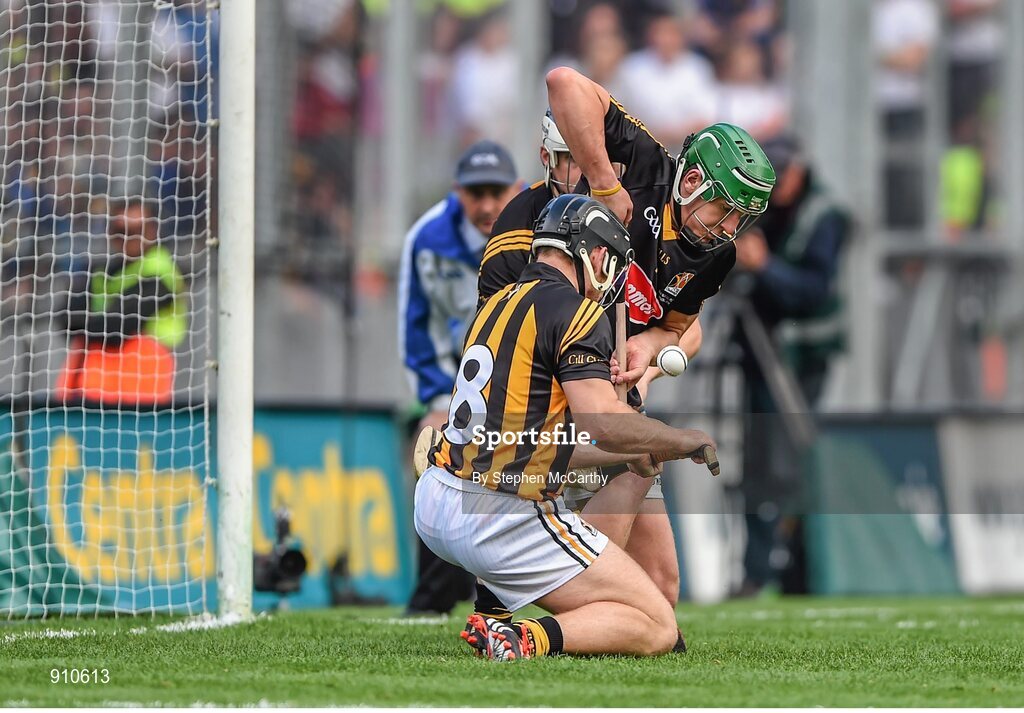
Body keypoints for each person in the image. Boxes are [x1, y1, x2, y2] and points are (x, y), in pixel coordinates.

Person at [415, 194, 718, 660]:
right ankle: (521, 639)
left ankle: (494, 608)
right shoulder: (575, 311)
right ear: (596, 254)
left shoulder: (496, 304)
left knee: (570, 493)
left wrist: (627, 453)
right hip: (496, 517)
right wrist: (679, 439)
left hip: (437, 503)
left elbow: (536, 439)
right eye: (611, 263)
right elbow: (602, 422)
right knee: (658, 625)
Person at [398, 139, 519, 616]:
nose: (487, 205)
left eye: (496, 192)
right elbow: (415, 326)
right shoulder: (428, 238)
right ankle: (432, 599)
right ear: (457, 192)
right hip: (454, 384)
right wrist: (436, 397)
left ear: (515, 188)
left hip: (521, 380)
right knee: (435, 454)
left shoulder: (542, 224)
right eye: (476, 194)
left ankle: (512, 593)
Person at [731, 135, 850, 595]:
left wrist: (763, 268)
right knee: (759, 464)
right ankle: (757, 572)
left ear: (800, 170)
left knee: (785, 465)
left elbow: (813, 291)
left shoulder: (825, 216)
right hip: (759, 356)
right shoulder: (756, 208)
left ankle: (793, 571)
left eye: (784, 172)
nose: (778, 181)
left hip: (801, 361)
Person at [58, 197, 187, 406]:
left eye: (137, 230)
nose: (129, 238)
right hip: (91, 383)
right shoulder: (103, 271)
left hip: (140, 379)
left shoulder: (160, 270)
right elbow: (66, 320)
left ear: (153, 231)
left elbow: (121, 325)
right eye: (122, 231)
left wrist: (91, 324)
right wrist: (98, 324)